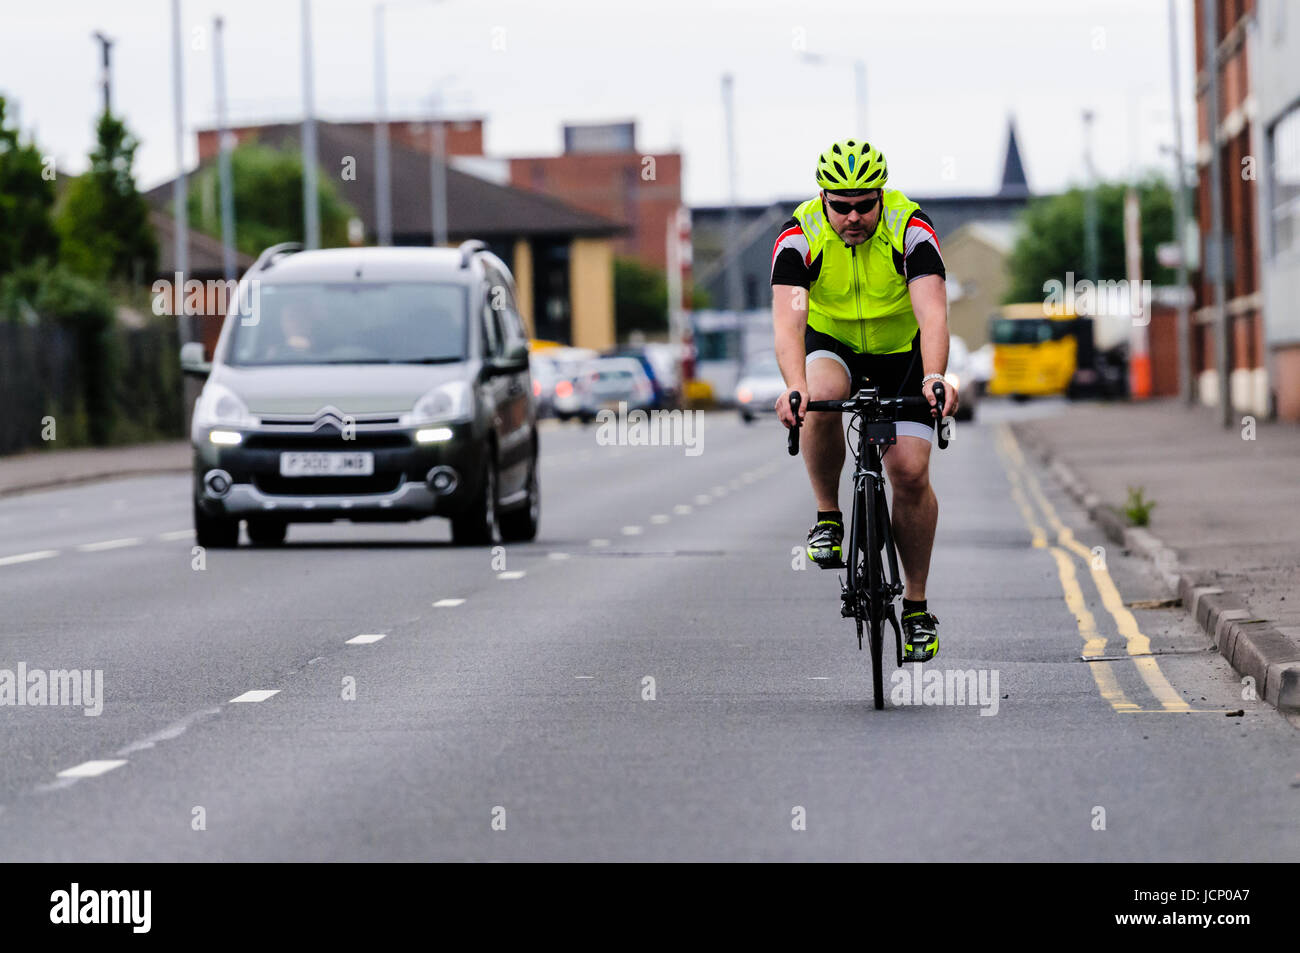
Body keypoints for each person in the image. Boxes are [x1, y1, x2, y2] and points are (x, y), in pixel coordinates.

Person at [771, 138, 959, 662]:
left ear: (881, 195)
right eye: (841, 206)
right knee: (821, 396)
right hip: (834, 345)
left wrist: (935, 375)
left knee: (909, 473)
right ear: (823, 199)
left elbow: (933, 313)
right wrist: (793, 386)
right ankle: (829, 516)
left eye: (864, 204)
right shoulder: (798, 236)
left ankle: (917, 609)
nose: (853, 216)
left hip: (903, 353)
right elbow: (788, 323)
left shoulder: (910, 229)